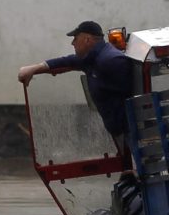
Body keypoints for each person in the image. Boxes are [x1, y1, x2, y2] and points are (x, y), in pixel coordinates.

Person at [18, 20, 132, 153]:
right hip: (120, 130)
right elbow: (67, 61)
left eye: (75, 39)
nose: (72, 43)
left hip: (130, 131)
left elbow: (131, 94)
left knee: (139, 170)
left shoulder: (109, 61)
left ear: (87, 39)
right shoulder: (93, 58)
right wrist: (35, 68)